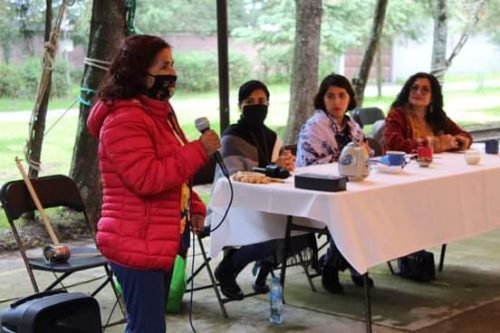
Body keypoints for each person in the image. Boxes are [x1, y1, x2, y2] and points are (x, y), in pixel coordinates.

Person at [87, 35, 220, 333]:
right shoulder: (123, 119)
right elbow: (146, 178)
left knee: (144, 325)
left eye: (172, 64)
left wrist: (194, 206)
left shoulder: (159, 113)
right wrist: (201, 150)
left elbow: (176, 170)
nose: (171, 73)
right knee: (147, 327)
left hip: (159, 238)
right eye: (163, 66)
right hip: (133, 240)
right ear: (138, 71)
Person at [212, 80, 296, 300]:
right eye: (250, 102)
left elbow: (281, 171)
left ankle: (263, 270)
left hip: (268, 202)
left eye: (262, 101)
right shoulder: (232, 136)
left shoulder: (271, 136)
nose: (257, 106)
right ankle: (229, 268)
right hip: (234, 204)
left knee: (298, 230)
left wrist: (286, 165)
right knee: (271, 237)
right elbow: (237, 177)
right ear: (240, 105)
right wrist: (274, 168)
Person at [296, 73, 374, 294]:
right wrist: (352, 158)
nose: (337, 101)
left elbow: (366, 155)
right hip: (316, 192)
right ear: (323, 99)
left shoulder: (352, 125)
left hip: (348, 189)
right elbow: (311, 166)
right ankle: (336, 264)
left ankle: (345, 261)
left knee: (372, 208)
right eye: (331, 96)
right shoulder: (314, 126)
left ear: (350, 98)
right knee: (353, 213)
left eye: (342, 95)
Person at [384, 72, 472, 153]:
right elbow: (395, 146)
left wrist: (455, 141)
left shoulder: (436, 116)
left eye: (425, 90)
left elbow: (466, 136)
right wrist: (436, 143)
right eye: (415, 88)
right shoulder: (397, 115)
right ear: (408, 92)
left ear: (432, 97)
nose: (418, 93)